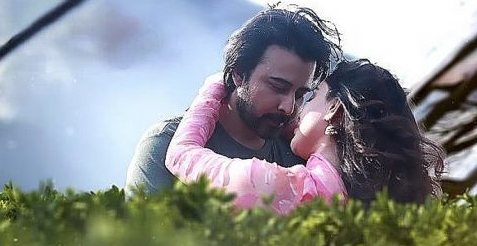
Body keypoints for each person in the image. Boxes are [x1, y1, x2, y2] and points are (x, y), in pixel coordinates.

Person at [165, 59, 444, 214]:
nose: (296, 109)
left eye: (310, 97)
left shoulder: (287, 188)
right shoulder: (376, 201)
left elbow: (180, 154)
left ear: (333, 108)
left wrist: (215, 87)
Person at [126, 5, 343, 194]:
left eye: (300, 95)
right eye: (277, 87)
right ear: (239, 73)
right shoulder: (164, 143)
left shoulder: (299, 164)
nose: (288, 107)